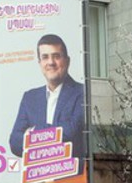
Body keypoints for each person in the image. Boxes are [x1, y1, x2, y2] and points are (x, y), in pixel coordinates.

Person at [9, 34, 85, 162]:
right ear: (40, 63)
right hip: (36, 178)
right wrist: (54, 133)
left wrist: (32, 132)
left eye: (56, 56)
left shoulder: (82, 93)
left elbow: (71, 132)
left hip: (72, 177)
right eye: (45, 57)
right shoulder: (30, 98)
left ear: (67, 61)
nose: (51, 62)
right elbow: (15, 142)